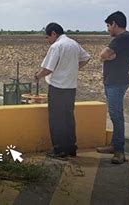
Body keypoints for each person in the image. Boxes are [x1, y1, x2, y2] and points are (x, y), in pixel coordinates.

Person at [35, 22, 90, 159]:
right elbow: (86, 58)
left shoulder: (56, 46)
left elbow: (48, 68)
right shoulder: (73, 43)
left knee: (56, 120)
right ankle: (71, 148)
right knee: (68, 118)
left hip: (57, 87)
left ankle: (59, 150)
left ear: (54, 33)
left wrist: (38, 76)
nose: (48, 41)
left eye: (48, 38)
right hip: (70, 87)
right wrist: (73, 69)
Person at [96, 11, 129, 164]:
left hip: (116, 83)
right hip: (113, 81)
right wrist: (106, 57)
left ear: (114, 24)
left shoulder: (122, 38)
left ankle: (119, 151)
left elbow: (103, 53)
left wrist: (106, 56)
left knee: (116, 116)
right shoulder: (123, 39)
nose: (107, 29)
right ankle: (114, 145)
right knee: (114, 115)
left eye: (108, 25)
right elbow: (104, 56)